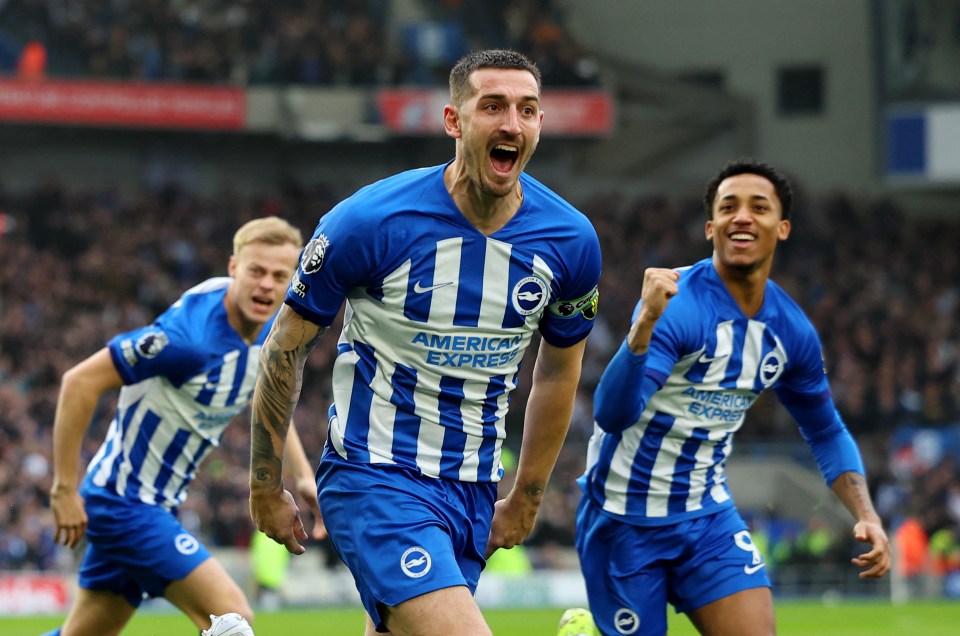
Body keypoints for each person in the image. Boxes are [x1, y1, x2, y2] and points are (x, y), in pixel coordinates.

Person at [247, 49, 602, 636]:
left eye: (528, 110)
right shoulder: (368, 222)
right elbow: (285, 349)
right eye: (493, 106)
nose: (512, 123)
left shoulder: (570, 242)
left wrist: (527, 496)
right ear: (453, 121)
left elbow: (559, 374)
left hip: (473, 491)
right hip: (374, 477)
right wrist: (264, 485)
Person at [572, 159, 891, 636]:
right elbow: (613, 414)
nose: (742, 216)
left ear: (782, 228)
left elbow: (825, 430)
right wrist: (641, 330)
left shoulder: (791, 331)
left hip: (707, 518)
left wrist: (867, 515)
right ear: (711, 227)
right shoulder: (677, 305)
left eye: (758, 207)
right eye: (728, 207)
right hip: (624, 519)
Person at [46, 216, 324, 636]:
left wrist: (302, 475)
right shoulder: (187, 340)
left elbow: (271, 402)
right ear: (234, 268)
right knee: (232, 618)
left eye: (279, 275)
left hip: (156, 503)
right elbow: (79, 382)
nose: (266, 285)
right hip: (124, 502)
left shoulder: (271, 330)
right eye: (256, 272)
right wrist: (63, 489)